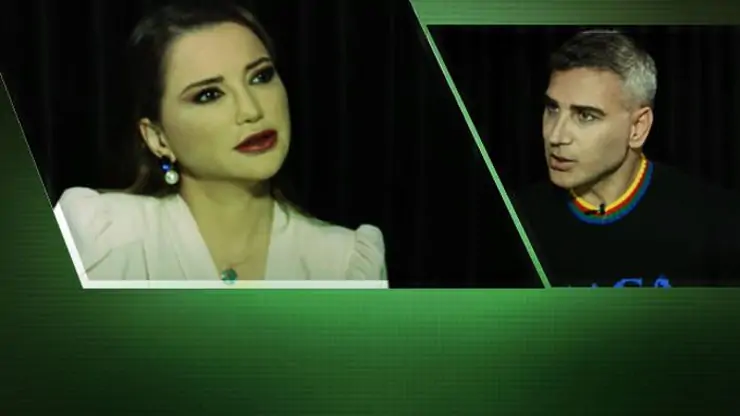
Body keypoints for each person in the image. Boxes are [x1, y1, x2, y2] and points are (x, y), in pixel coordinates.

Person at [53, 3, 387, 285]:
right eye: (209, 94)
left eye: (261, 77)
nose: (251, 110)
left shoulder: (343, 264)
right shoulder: (103, 241)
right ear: (158, 138)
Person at [514, 29, 740, 288]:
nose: (555, 135)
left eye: (585, 116)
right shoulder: (518, 221)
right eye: (552, 108)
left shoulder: (717, 226)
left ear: (637, 128)